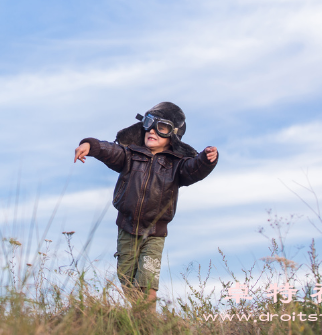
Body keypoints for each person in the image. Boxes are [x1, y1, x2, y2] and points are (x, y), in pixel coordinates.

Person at [74, 102, 218, 305]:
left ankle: (149, 323)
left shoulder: (177, 165)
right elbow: (109, 150)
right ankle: (138, 321)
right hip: (126, 228)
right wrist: (90, 146)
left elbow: (194, 169)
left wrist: (207, 159)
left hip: (154, 234)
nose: (152, 130)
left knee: (147, 285)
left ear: (173, 135)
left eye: (162, 127)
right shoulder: (129, 155)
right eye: (149, 123)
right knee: (127, 281)